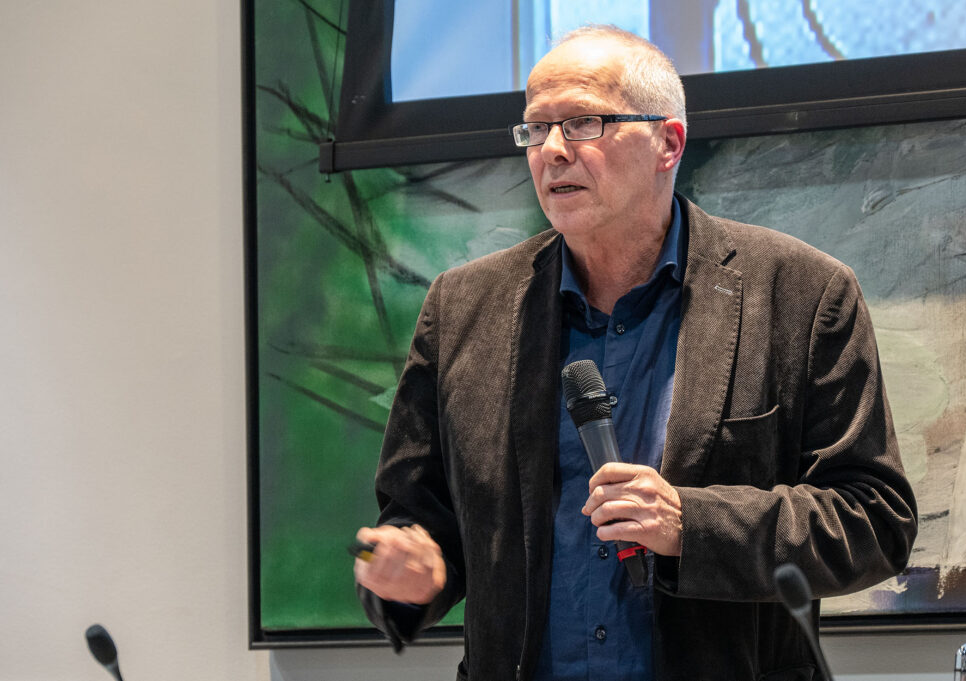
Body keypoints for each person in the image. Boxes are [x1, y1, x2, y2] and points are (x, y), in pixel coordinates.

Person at [353, 25, 917, 681]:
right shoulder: (463, 307)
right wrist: (405, 571)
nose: (553, 152)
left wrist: (692, 525)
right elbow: (418, 523)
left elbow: (874, 520)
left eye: (584, 123)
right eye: (536, 130)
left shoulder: (801, 294)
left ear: (668, 143)